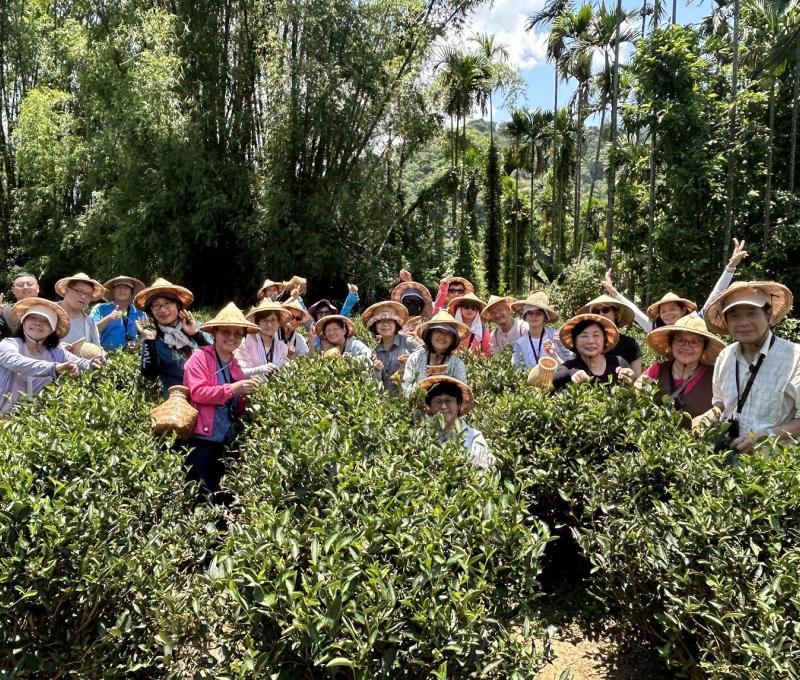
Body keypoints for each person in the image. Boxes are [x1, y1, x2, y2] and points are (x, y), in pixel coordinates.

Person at [692, 281, 800, 452]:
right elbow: (721, 404)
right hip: (727, 462)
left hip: (775, 470)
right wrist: (708, 416)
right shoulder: (725, 356)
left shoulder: (795, 357)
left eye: (751, 313)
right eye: (734, 316)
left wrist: (765, 435)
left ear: (768, 314)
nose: (743, 323)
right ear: (725, 321)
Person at [183, 303, 261, 503]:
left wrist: (249, 396)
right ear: (215, 332)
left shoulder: (235, 365)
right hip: (202, 439)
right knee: (201, 495)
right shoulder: (199, 357)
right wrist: (233, 389)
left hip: (226, 441)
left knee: (224, 496)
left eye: (238, 333)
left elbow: (237, 406)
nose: (232, 337)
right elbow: (198, 392)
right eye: (226, 331)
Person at [601, 237, 750, 331]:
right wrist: (614, 292)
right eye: (663, 311)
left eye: (672, 309)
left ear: (683, 310)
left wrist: (731, 266)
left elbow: (716, 294)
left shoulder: (696, 320)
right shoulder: (656, 328)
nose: (667, 314)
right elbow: (637, 314)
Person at [0, 298, 103, 414]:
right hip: (5, 417)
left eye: (45, 321)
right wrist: (55, 368)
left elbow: (78, 362)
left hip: (37, 419)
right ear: (23, 322)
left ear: (52, 329)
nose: (37, 323)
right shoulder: (8, 344)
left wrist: (92, 363)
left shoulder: (55, 351)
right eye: (32, 317)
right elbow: (17, 362)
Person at [635, 314, 726, 426]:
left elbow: (724, 403)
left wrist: (713, 413)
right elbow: (636, 390)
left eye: (695, 342)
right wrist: (630, 382)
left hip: (695, 442)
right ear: (671, 343)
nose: (686, 346)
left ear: (704, 348)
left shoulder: (713, 376)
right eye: (680, 340)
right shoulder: (658, 370)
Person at [135, 278, 210, 398]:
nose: (162, 310)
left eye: (167, 304)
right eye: (156, 306)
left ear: (178, 306)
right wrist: (149, 341)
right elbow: (149, 375)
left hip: (208, 393)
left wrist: (195, 334)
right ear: (151, 312)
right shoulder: (153, 338)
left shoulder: (195, 327)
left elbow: (216, 357)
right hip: (178, 402)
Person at [420, 375, 496, 469]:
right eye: (438, 401)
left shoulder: (473, 439)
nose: (443, 407)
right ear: (430, 406)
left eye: (448, 401)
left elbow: (487, 473)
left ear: (459, 404)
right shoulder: (421, 436)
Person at [552, 313, 635, 391]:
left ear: (604, 340)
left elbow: (632, 392)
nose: (590, 341)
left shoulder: (618, 362)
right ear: (575, 342)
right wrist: (572, 373)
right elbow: (557, 378)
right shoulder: (569, 366)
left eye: (596, 335)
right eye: (584, 336)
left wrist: (630, 379)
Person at [402, 311, 468, 395]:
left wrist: (448, 381)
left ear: (452, 340)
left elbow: (463, 394)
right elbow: (406, 391)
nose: (442, 336)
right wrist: (424, 383)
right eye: (438, 331)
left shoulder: (457, 364)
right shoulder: (415, 358)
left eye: (447, 333)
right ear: (430, 334)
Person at [576, 294, 642, 377]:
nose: (601, 314)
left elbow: (637, 379)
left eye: (605, 310)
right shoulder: (585, 343)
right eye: (596, 312)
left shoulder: (630, 344)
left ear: (616, 313)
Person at [363, 300, 422, 391]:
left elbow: (425, 360)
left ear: (396, 323)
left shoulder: (408, 341)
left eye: (390, 320)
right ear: (375, 325)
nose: (385, 324)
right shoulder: (374, 352)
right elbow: (374, 386)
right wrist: (377, 371)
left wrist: (410, 362)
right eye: (380, 321)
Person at [511, 292, 571, 370]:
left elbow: (569, 362)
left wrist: (559, 349)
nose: (534, 316)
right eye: (530, 313)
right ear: (525, 316)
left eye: (538, 313)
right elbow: (516, 369)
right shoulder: (519, 344)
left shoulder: (556, 336)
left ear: (545, 317)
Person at [236, 299, 292, 376]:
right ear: (257, 322)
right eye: (264, 320)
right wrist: (261, 369)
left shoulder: (282, 347)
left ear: (279, 322)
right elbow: (238, 372)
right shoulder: (246, 341)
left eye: (273, 320)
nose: (269, 324)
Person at [91, 276, 147, 351]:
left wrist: (137, 344)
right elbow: (90, 330)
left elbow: (147, 336)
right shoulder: (100, 309)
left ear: (132, 292)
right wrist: (108, 318)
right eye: (118, 287)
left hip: (134, 357)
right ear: (112, 291)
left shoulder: (139, 312)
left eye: (126, 287)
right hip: (104, 356)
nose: (122, 290)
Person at [55, 273, 106, 347]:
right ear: (67, 290)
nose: (83, 297)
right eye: (79, 291)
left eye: (88, 294)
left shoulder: (89, 322)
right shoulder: (47, 312)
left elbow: (96, 350)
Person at [0, 271, 41, 339]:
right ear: (13, 290)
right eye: (20, 285)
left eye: (29, 284)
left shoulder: (50, 308)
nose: (25, 287)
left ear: (37, 288)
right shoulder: (5, 312)